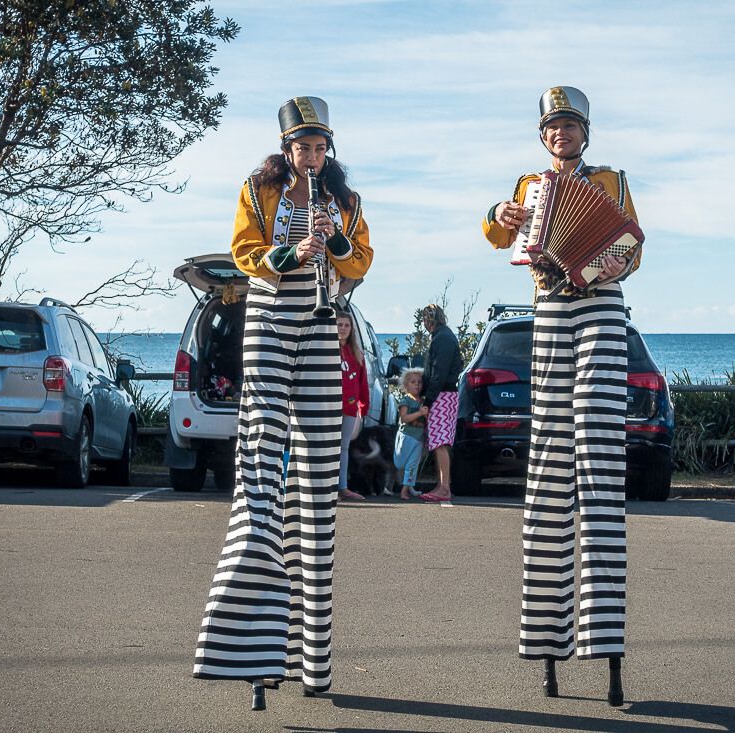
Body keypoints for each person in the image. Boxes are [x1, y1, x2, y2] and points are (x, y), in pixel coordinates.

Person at [192, 96, 373, 711]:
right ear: (286, 146)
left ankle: (313, 663)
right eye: (303, 145)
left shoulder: (345, 199)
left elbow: (363, 261)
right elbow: (243, 255)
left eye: (321, 145)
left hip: (322, 327)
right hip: (269, 321)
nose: (312, 154)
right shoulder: (257, 187)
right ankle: (252, 651)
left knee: (319, 492)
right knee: (262, 469)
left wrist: (336, 239)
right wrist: (291, 254)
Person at [481, 85, 639, 706]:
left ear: (584, 132)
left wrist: (592, 268)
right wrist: (502, 215)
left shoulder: (611, 181)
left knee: (599, 462)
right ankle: (546, 639)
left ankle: (605, 641)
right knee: (547, 460)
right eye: (552, 128)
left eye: (569, 126)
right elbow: (498, 237)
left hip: (599, 305)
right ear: (542, 135)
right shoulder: (526, 186)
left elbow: (631, 247)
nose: (560, 135)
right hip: (548, 304)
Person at [418, 304, 461, 503]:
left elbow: (439, 372)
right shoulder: (445, 336)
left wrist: (428, 399)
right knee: (439, 442)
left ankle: (444, 488)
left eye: (427, 319)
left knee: (440, 442)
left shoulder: (442, 338)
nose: (426, 323)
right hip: (446, 394)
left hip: (442, 395)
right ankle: (443, 484)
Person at [336, 310, 368, 500]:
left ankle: (343, 487)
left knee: (344, 447)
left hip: (349, 407)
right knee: (328, 447)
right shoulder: (326, 350)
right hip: (329, 408)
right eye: (339, 324)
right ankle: (329, 487)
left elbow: (362, 383)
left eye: (346, 325)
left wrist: (363, 406)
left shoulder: (356, 353)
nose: (343, 329)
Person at [393, 367, 428, 500]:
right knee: (400, 464)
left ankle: (405, 489)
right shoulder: (405, 400)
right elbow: (404, 418)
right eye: (413, 382)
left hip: (419, 438)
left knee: (412, 464)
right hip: (406, 437)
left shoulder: (424, 401)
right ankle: (408, 485)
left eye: (419, 382)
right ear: (406, 385)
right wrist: (420, 413)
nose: (417, 384)